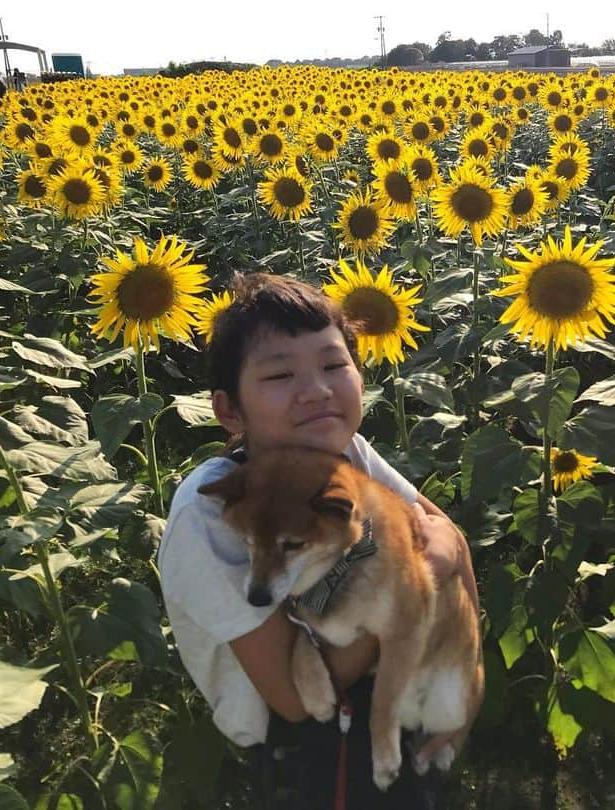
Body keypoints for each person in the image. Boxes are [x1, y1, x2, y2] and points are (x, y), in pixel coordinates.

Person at [157, 272, 479, 809]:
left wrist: (463, 681)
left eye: (334, 365)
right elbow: (295, 696)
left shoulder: (347, 455)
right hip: (307, 747)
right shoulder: (209, 514)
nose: (318, 390)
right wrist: (423, 576)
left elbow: (452, 539)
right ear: (229, 412)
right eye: (281, 375)